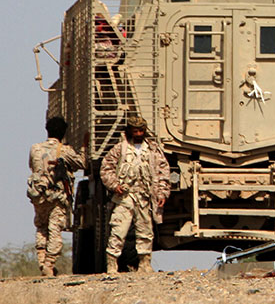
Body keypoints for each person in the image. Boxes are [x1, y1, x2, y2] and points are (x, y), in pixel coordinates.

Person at [100, 114, 170, 273]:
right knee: (118, 230)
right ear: (130, 131)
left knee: (145, 231)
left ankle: (144, 264)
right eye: (135, 131)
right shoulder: (120, 149)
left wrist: (162, 193)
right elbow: (106, 168)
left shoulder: (152, 150)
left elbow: (163, 172)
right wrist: (114, 185)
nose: (138, 134)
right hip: (125, 196)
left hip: (144, 197)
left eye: (141, 131)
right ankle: (112, 264)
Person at [27, 117, 84, 276]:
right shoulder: (64, 150)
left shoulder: (35, 148)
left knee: (41, 227)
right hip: (57, 197)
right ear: (64, 133)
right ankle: (49, 264)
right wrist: (84, 147)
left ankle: (41, 261)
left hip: (38, 195)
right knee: (55, 230)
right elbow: (82, 163)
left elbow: (32, 166)